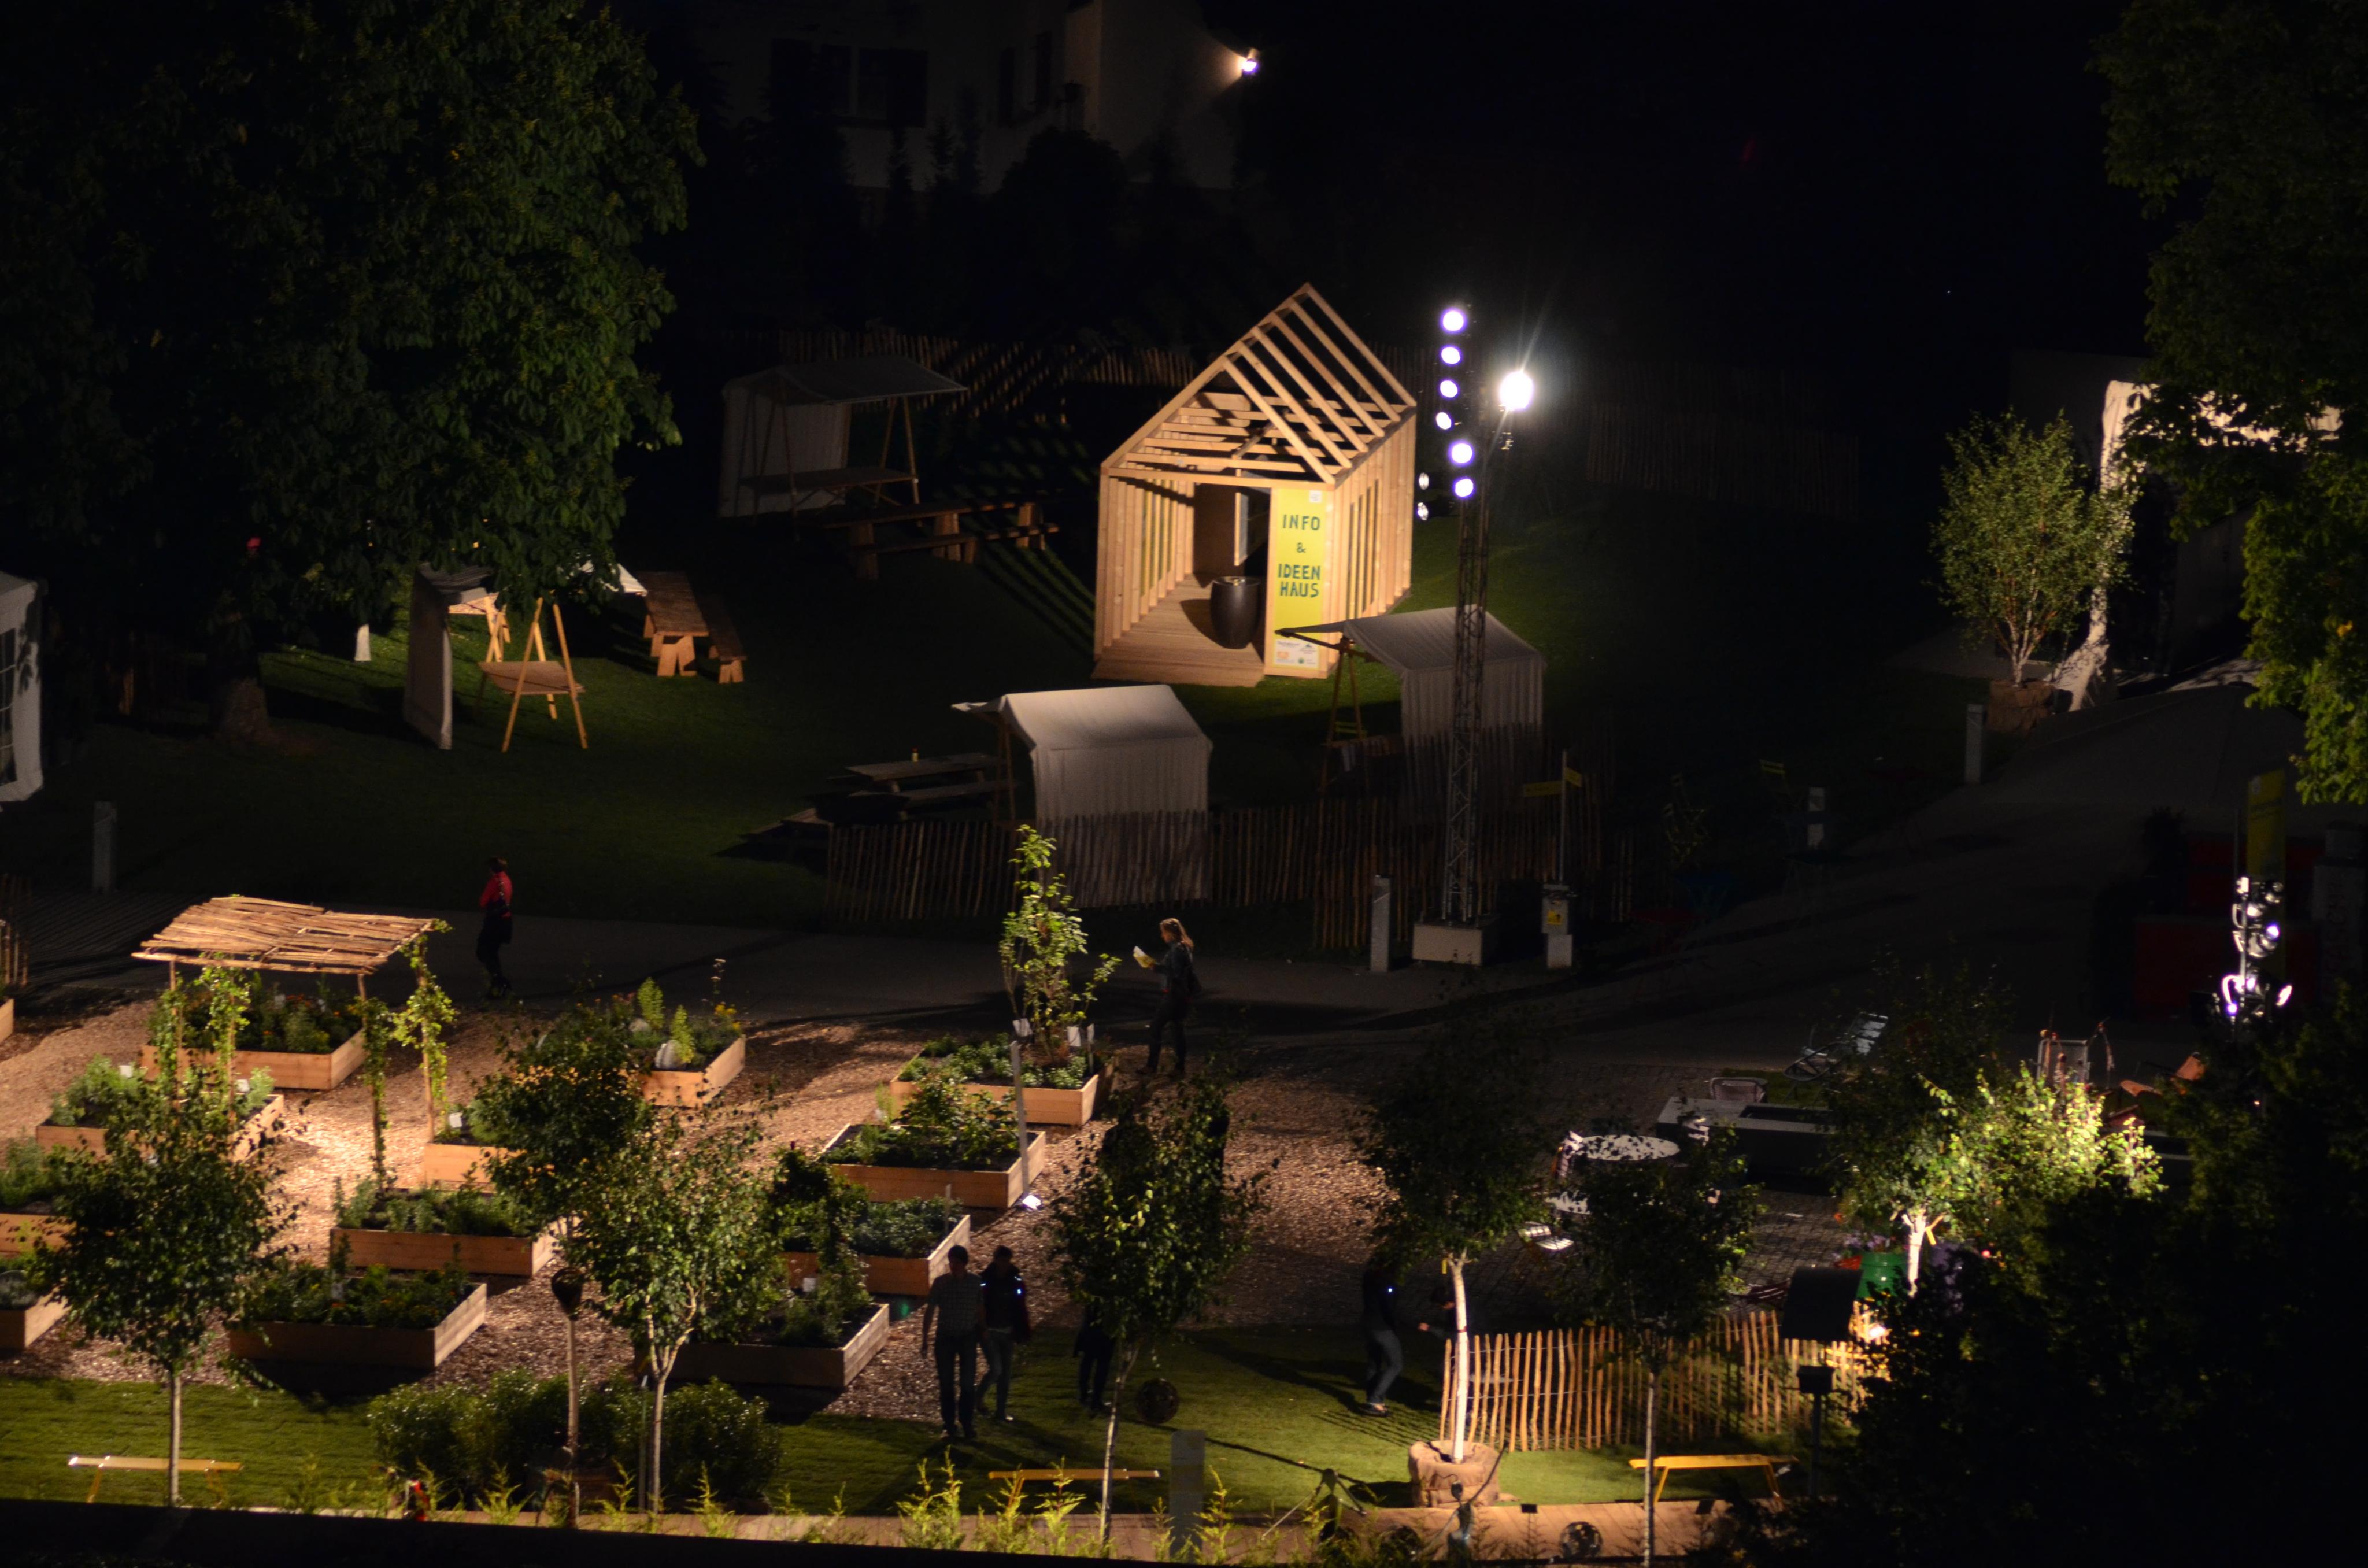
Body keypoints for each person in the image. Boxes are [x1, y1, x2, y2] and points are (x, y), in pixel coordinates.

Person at [919, 1243, 980, 1441]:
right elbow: (930, 1311)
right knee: (946, 1384)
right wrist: (925, 1338)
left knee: (967, 1383)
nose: (953, 1266)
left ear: (964, 1263)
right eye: (951, 1262)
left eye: (957, 1263)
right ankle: (949, 1424)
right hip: (946, 1337)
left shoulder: (975, 1283)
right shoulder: (941, 1283)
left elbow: (980, 1309)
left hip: (967, 1336)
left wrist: (983, 1331)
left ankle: (967, 1422)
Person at [979, 1244, 1031, 1422]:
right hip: (991, 1331)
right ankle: (978, 1397)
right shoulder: (985, 1279)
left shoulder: (1015, 1279)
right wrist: (983, 1328)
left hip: (1008, 1331)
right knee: (996, 1369)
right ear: (995, 1260)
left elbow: (1020, 1305)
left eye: (1007, 1261)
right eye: (1002, 1261)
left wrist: (1021, 1329)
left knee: (1005, 1373)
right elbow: (980, 1305)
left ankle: (1000, 1411)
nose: (1004, 1264)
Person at [1141, 916, 1198, 1077]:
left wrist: (1155, 967)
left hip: (1174, 996)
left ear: (1171, 933)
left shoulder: (1176, 950)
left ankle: (1152, 1066)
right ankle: (1180, 1068)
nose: (1162, 936)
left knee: (1155, 1028)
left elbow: (1176, 974)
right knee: (1177, 1030)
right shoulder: (1185, 947)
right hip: (1183, 996)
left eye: (1164, 933)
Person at [1360, 1259, 1405, 1416]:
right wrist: (1396, 1326)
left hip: (1368, 1324)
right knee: (1396, 1364)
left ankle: (1371, 1400)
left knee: (1374, 1363)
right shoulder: (1387, 1283)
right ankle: (1375, 1400)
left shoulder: (1369, 1278)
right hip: (1382, 1327)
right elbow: (1388, 1308)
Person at [476, 856, 514, 999]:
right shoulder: (507, 880)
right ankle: (499, 983)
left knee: (484, 951)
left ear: (492, 869)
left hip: (494, 921)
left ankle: (499, 982)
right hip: (505, 921)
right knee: (492, 952)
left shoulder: (494, 882)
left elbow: (483, 901)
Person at [1074, 1306, 1115, 1412]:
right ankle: (1096, 1400)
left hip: (1089, 1330)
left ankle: (1084, 1394)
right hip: (1103, 1333)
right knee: (1102, 1366)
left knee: (1087, 1362)